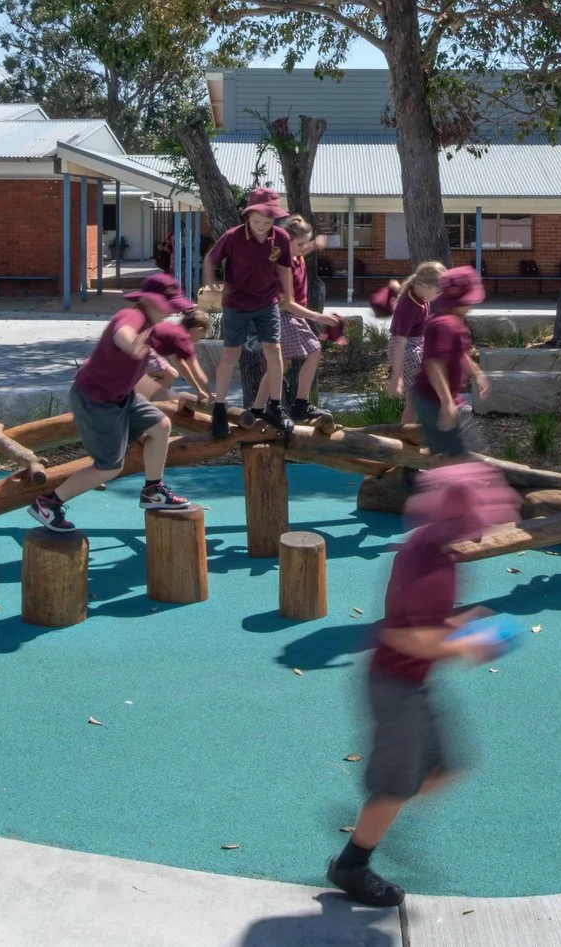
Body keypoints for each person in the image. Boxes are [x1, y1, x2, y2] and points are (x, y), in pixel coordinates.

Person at [327, 461, 520, 908]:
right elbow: (406, 636)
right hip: (394, 684)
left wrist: (458, 624)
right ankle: (352, 864)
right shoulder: (430, 564)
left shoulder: (427, 548)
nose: (481, 532)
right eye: (477, 521)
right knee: (397, 784)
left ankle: (380, 817)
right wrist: (471, 644)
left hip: (409, 683)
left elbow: (416, 619)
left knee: (442, 767)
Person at [30, 272, 199, 533]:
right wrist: (132, 345)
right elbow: (123, 335)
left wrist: (169, 391)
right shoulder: (133, 316)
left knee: (161, 426)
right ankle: (48, 503)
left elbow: (137, 378)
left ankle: (153, 490)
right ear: (149, 301)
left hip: (122, 396)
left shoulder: (151, 328)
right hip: (95, 399)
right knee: (109, 468)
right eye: (167, 305)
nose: (171, 311)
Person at [202, 188, 299, 433]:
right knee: (230, 353)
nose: (262, 227)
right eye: (257, 222)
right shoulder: (233, 236)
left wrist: (288, 296)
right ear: (248, 216)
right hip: (236, 303)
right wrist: (210, 283)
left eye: (267, 222)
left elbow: (284, 268)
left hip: (267, 302)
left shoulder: (281, 238)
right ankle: (220, 408)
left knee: (274, 349)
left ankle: (275, 406)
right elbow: (210, 260)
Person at [269, 216, 341, 423]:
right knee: (314, 350)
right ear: (286, 242)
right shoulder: (283, 266)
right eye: (300, 244)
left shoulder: (296, 254)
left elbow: (301, 249)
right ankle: (301, 404)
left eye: (305, 243)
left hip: (291, 314)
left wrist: (314, 244)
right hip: (285, 315)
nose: (303, 248)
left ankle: (259, 407)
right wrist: (319, 317)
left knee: (281, 364)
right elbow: (286, 304)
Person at [414, 266, 488, 459]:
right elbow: (434, 364)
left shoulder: (453, 321)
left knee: (464, 452)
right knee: (456, 456)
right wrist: (446, 403)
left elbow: (459, 353)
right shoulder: (444, 325)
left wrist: (476, 372)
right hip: (433, 401)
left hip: (441, 399)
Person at [371, 262, 446, 405]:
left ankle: (419, 415)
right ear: (425, 286)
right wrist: (396, 377)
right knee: (417, 395)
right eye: (438, 292)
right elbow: (400, 342)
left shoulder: (418, 294)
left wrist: (395, 287)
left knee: (417, 396)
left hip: (415, 345)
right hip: (407, 351)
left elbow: (400, 290)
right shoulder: (409, 307)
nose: (439, 296)